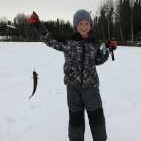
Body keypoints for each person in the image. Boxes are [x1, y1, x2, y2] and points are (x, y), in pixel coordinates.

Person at [28, 10, 117, 141]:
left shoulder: (94, 43)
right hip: (73, 88)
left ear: (90, 25)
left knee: (97, 119)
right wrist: (37, 25)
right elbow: (49, 39)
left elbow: (98, 60)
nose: (84, 26)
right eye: (80, 23)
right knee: (75, 119)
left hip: (91, 88)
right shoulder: (67, 41)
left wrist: (107, 50)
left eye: (87, 23)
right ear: (76, 25)